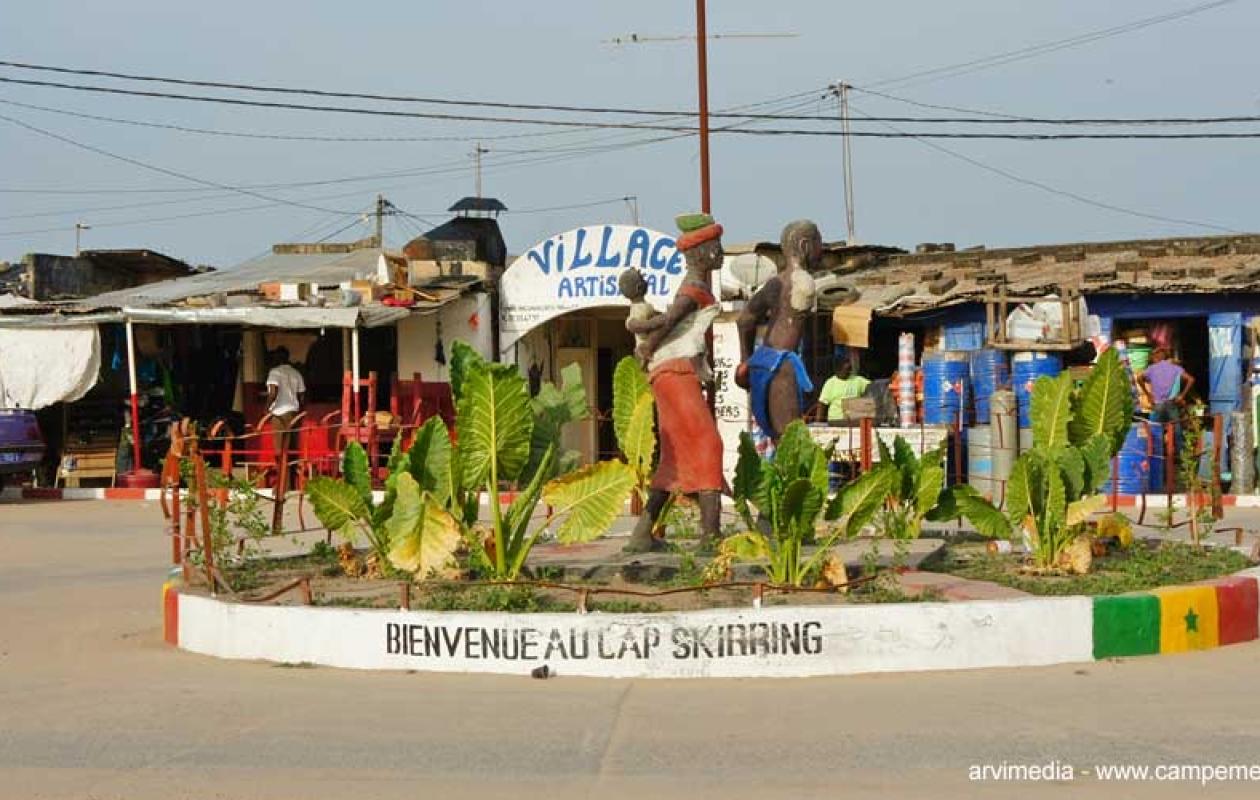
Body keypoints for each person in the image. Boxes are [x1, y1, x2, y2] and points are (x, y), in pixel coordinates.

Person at [620, 213, 726, 553]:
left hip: (675, 371)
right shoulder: (694, 286)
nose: (720, 252)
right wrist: (648, 344)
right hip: (674, 372)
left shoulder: (696, 285)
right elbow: (670, 320)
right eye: (715, 246)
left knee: (676, 456)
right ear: (702, 253)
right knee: (709, 446)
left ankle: (641, 534)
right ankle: (710, 535)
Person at [734, 220, 820, 441]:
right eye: (818, 243)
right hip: (781, 365)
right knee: (789, 443)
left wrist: (746, 360)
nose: (821, 250)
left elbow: (745, 320)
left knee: (773, 438)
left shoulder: (774, 283)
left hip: (761, 361)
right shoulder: (804, 281)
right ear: (804, 246)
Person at [265, 346, 306, 457]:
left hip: (279, 414)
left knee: (280, 450)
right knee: (292, 449)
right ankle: (291, 474)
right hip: (294, 413)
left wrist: (266, 409)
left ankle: (282, 473)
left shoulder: (274, 372)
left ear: (277, 358)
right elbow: (302, 396)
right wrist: (300, 412)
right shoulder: (296, 373)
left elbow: (273, 393)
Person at [1138, 347, 1194, 423]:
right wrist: (1182, 396)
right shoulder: (1175, 367)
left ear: (1156, 358)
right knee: (1176, 429)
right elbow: (1191, 379)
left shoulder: (1152, 368)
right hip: (1172, 403)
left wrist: (1148, 395)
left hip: (1158, 404)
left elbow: (1139, 378)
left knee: (1156, 430)